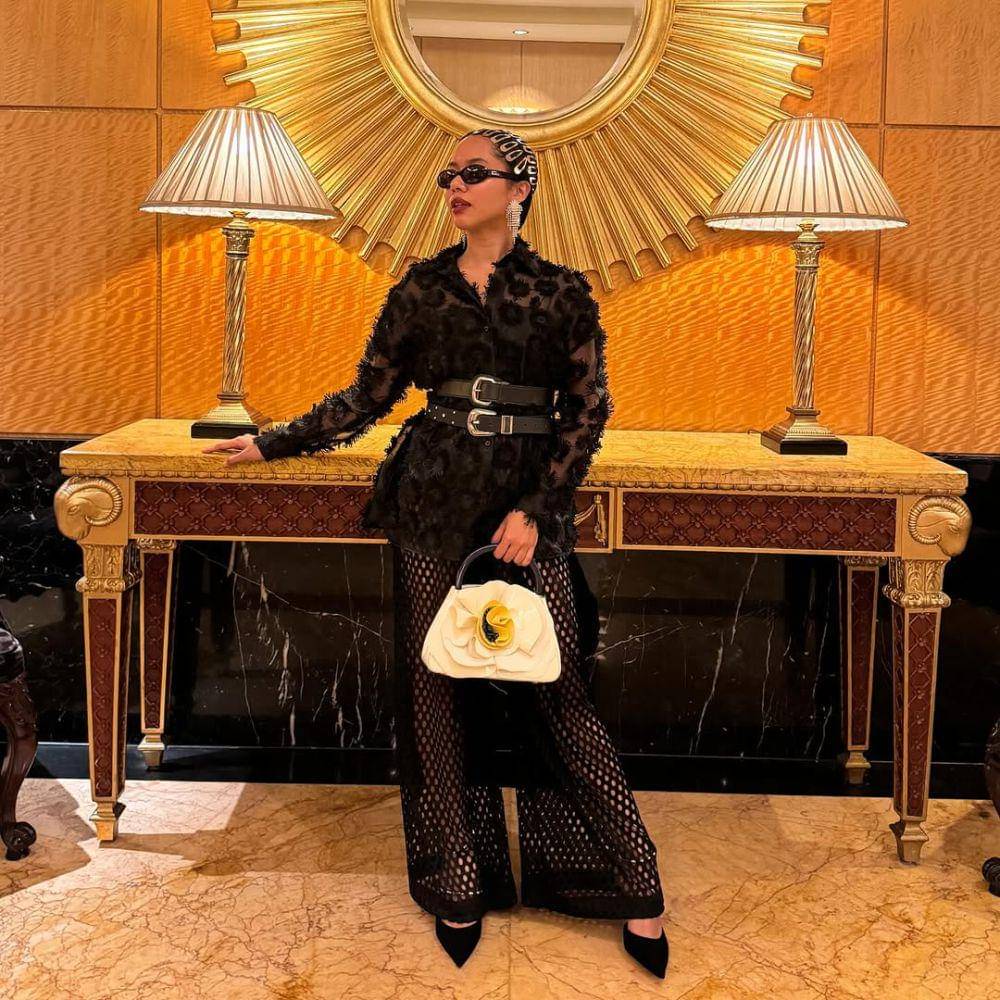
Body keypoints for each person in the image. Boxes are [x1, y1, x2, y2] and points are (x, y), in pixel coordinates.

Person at [202, 128, 669, 979]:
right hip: (430, 499)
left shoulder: (562, 291)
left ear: (519, 188)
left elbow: (586, 411)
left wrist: (537, 509)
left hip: (524, 506)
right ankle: (457, 876)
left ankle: (633, 881)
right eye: (449, 174)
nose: (455, 184)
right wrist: (272, 442)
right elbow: (368, 394)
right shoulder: (421, 288)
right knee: (435, 694)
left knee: (559, 692)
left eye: (474, 173)